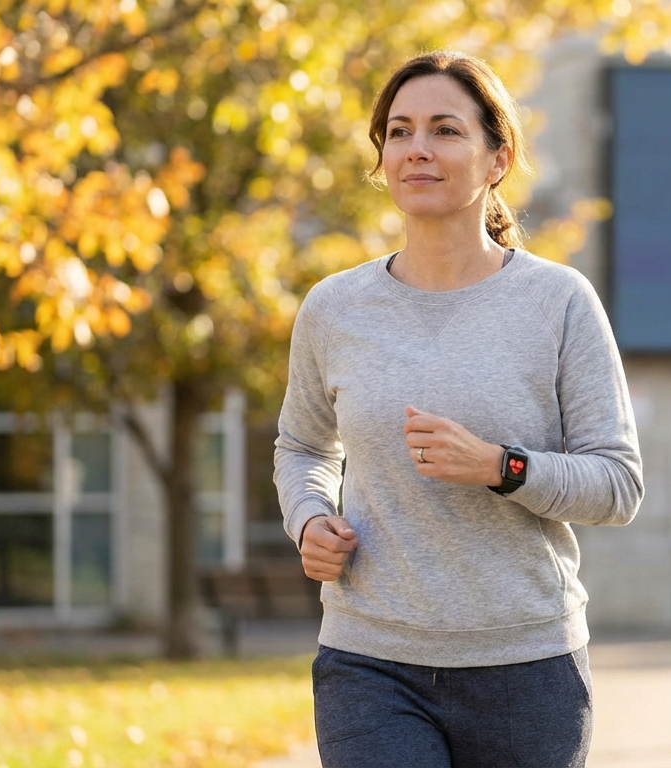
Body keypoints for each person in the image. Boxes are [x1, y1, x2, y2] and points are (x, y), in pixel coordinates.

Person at [273, 50, 643, 767]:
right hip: (369, 660)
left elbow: (619, 485)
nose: (417, 149)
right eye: (400, 131)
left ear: (496, 157)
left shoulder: (559, 303)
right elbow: (303, 446)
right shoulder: (335, 308)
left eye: (445, 130)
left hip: (527, 663)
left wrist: (504, 468)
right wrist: (310, 517)